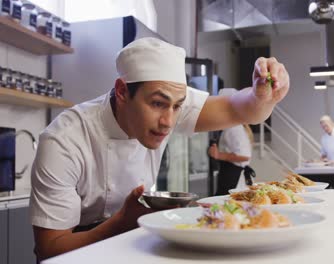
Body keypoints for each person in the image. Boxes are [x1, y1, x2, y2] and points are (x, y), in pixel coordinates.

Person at [30, 37, 290, 260]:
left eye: (177, 106)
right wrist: (122, 222)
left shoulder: (170, 102)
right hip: (79, 251)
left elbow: (240, 109)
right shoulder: (64, 140)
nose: (168, 122)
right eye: (157, 104)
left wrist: (262, 94)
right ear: (122, 92)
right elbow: (49, 250)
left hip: (132, 242)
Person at [208, 88, 255, 195]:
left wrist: (218, 155)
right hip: (232, 175)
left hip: (233, 176)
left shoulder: (234, 128)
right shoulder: (235, 126)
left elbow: (244, 156)